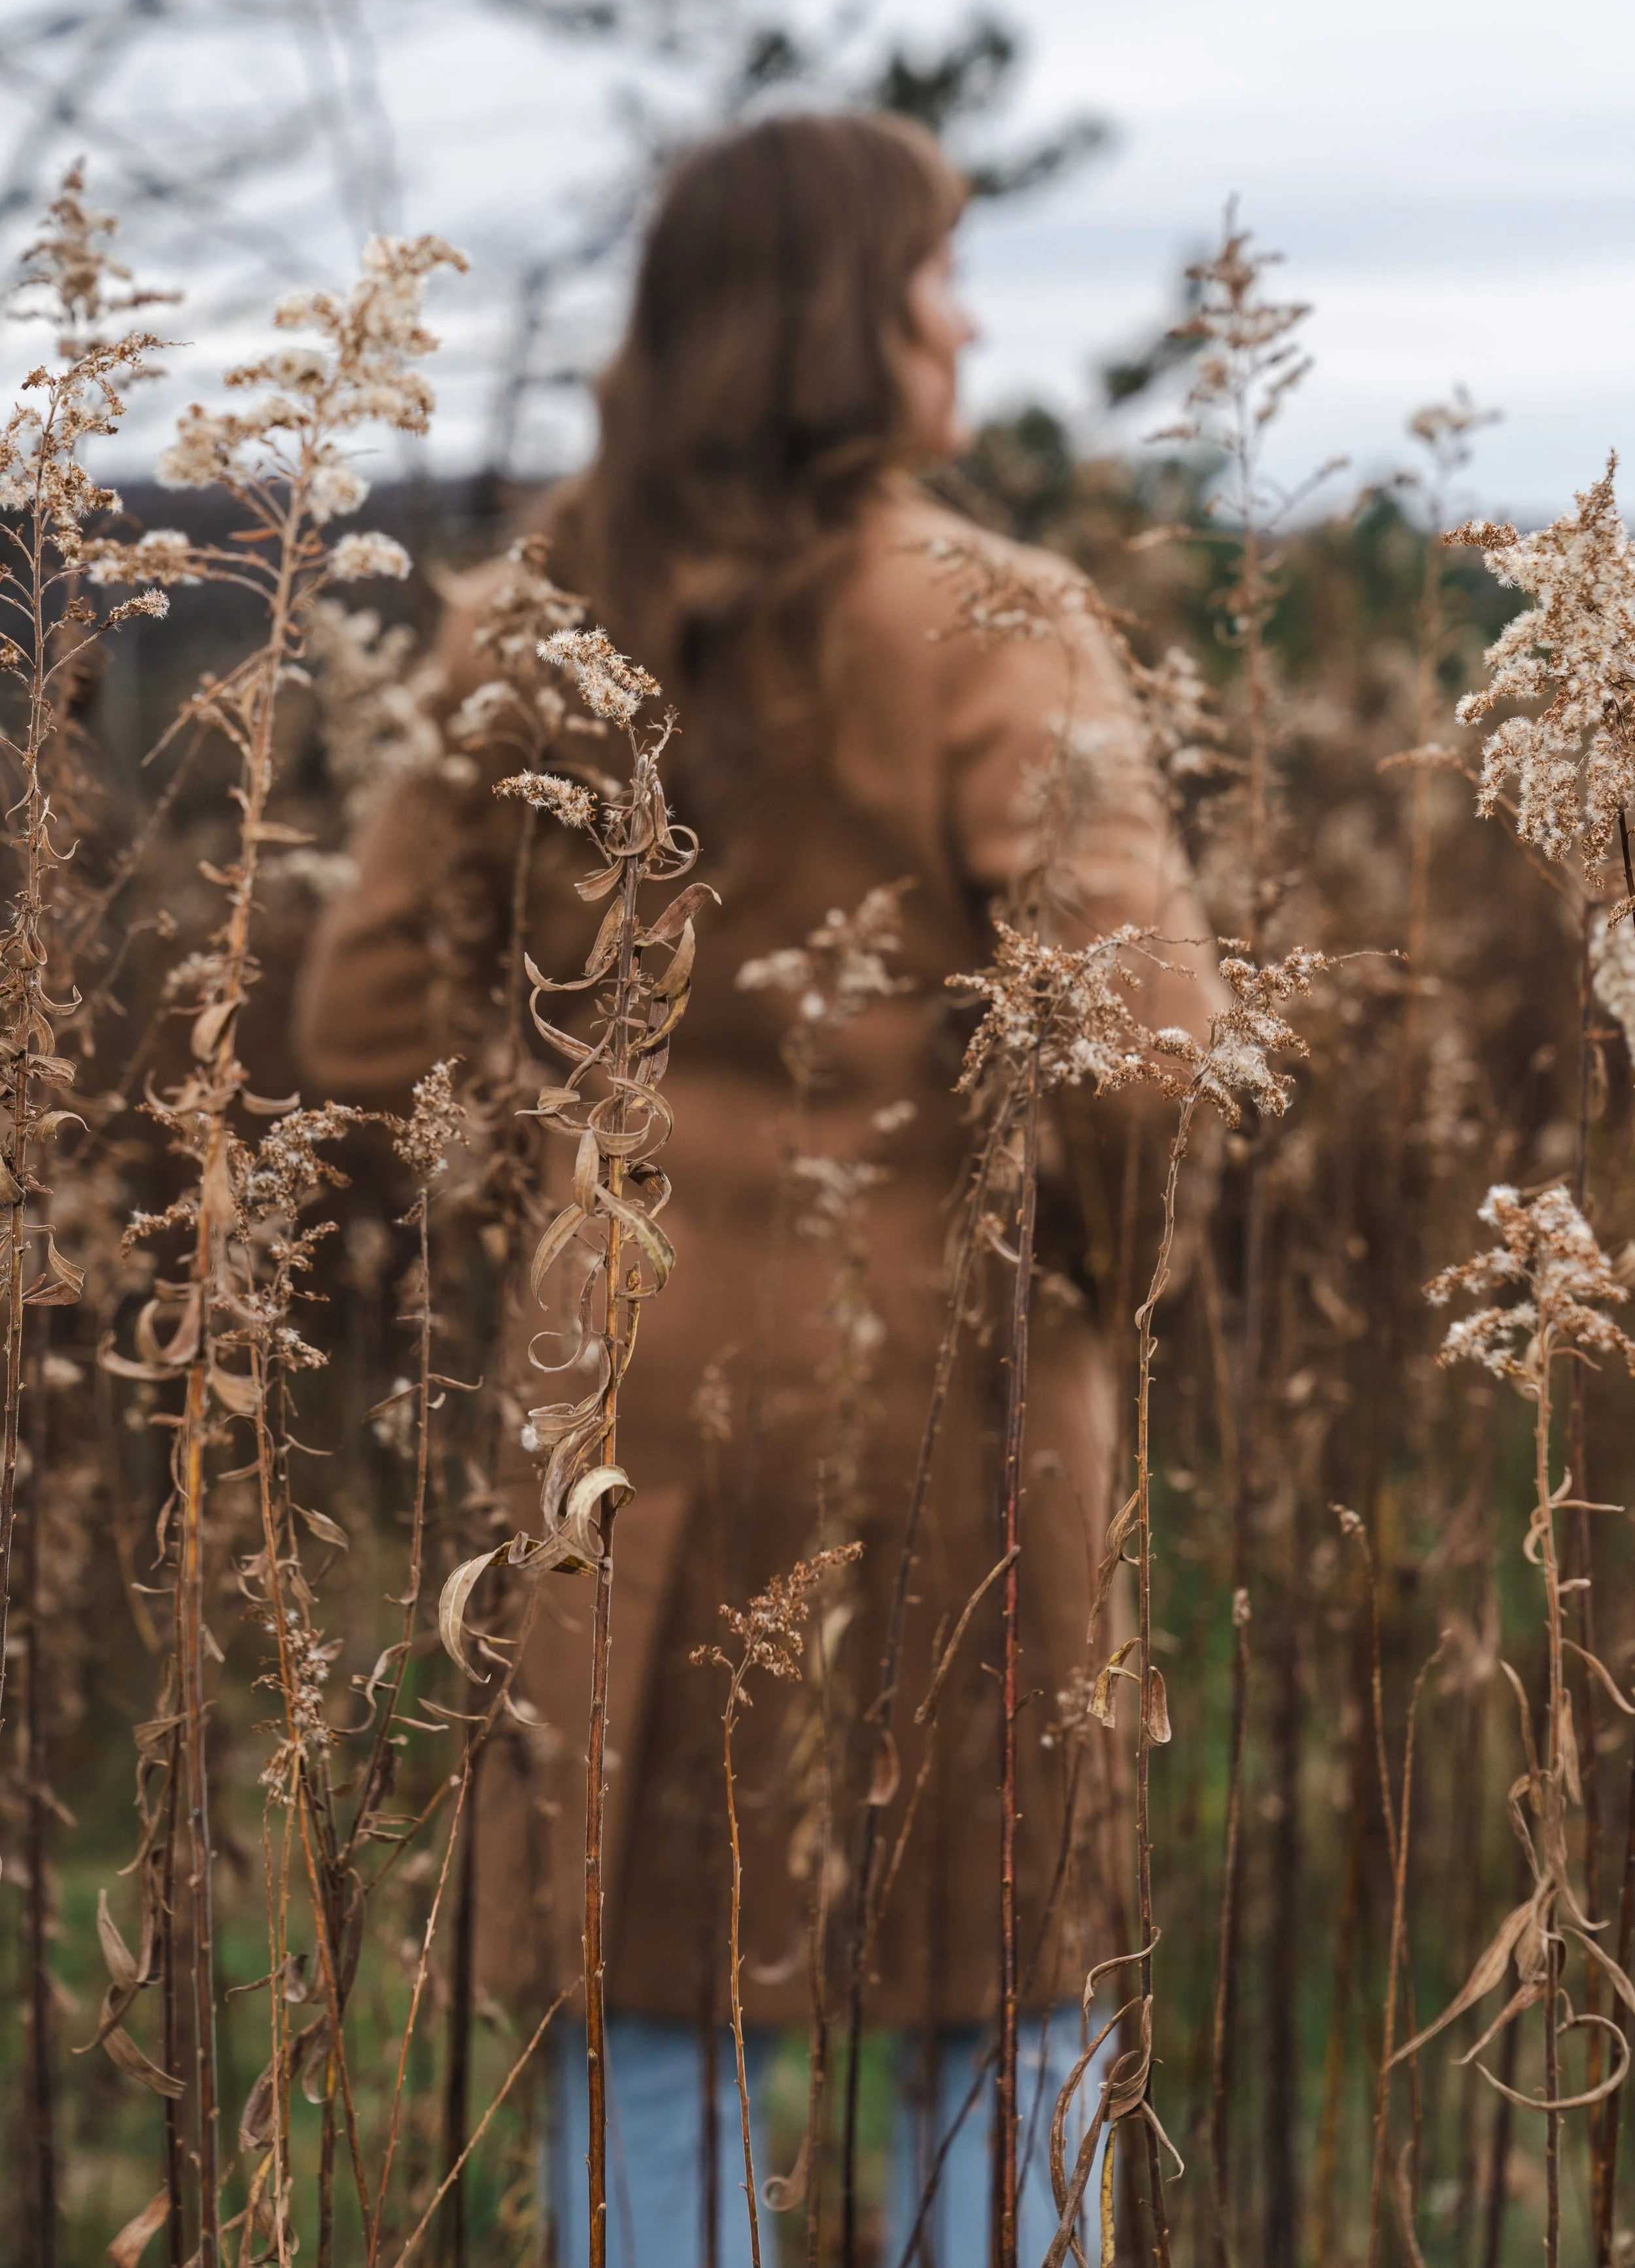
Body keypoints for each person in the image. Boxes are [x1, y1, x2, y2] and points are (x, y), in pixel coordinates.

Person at [295, 109, 1218, 2265]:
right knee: (1000, 1977)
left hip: (626, 1383)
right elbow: (1146, 1054)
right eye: (933, 279)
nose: (965, 318)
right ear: (840, 321)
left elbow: (359, 1024)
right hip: (958, 1393)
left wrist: (584, 1180)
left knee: (644, 1987)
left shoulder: (535, 607)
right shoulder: (991, 616)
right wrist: (1082, 1277)